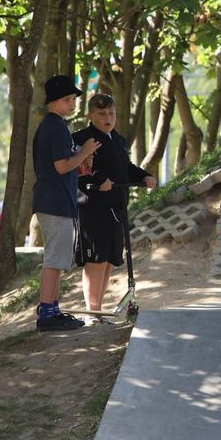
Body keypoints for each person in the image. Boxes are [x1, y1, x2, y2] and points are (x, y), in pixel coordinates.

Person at [73, 94, 158, 322]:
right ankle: (93, 312)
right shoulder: (82, 139)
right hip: (93, 208)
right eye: (101, 114)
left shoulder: (117, 139)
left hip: (116, 206)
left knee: (109, 259)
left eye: (111, 113)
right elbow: (81, 171)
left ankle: (99, 311)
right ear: (90, 115)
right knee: (96, 260)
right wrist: (99, 182)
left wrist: (145, 176)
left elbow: (125, 167)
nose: (107, 118)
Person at [31, 75, 99, 332]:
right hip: (55, 202)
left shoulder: (55, 126)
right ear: (53, 102)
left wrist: (81, 162)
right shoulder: (55, 126)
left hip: (57, 201)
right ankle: (47, 313)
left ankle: (52, 308)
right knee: (55, 259)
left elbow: (63, 166)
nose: (72, 104)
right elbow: (61, 166)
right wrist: (85, 152)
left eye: (73, 99)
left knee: (58, 259)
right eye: (67, 99)